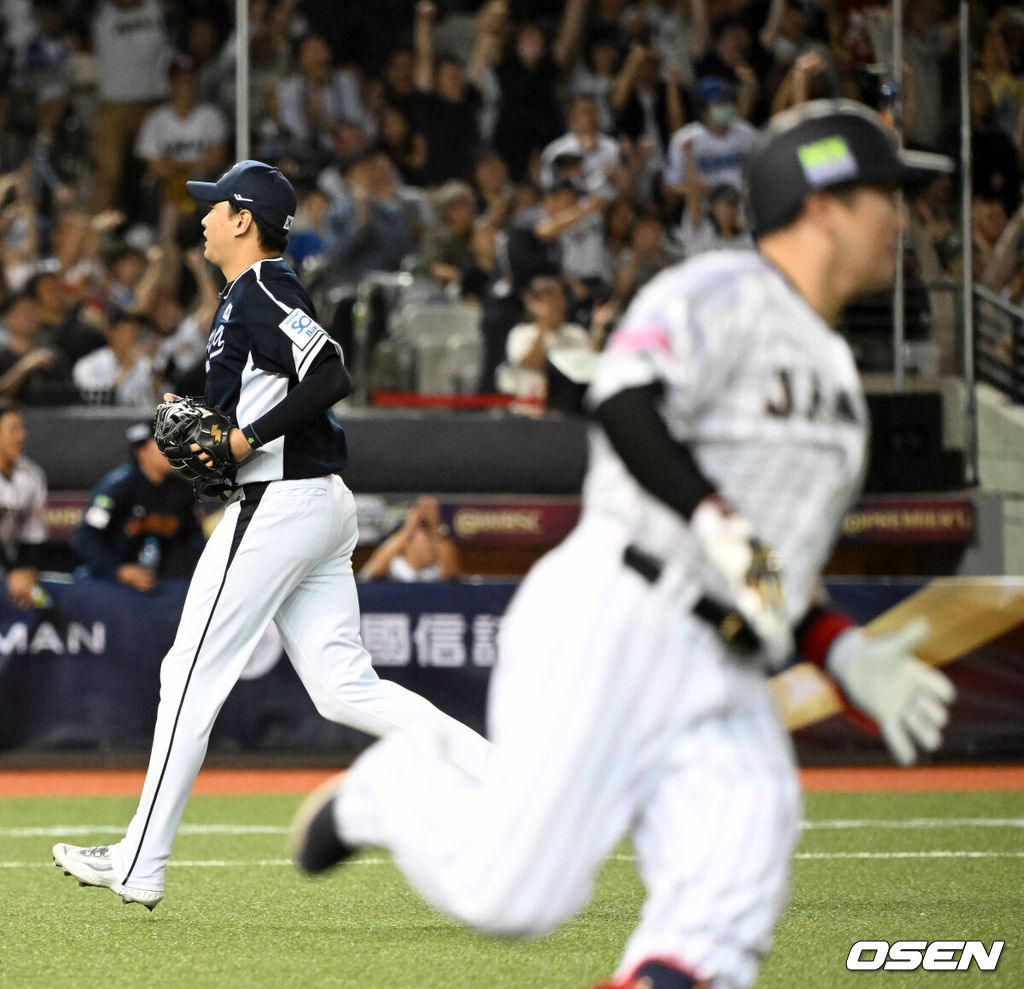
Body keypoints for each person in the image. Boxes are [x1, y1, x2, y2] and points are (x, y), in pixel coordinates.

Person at [291, 101, 958, 989]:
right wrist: (718, 520)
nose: (902, 215)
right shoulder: (720, 290)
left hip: (726, 662)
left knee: (728, 900)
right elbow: (623, 401)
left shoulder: (839, 379)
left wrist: (840, 648)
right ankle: (396, 786)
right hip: (620, 609)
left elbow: (767, 575)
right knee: (517, 896)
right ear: (824, 201)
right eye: (886, 192)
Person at [52, 159, 490, 910]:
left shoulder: (262, 285)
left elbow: (330, 373)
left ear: (244, 220)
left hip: (281, 502)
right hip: (309, 503)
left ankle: (139, 862)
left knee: (186, 672)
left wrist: (242, 438)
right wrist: (226, 440)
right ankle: (513, 785)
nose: (202, 217)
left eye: (214, 206)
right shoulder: (244, 296)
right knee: (344, 687)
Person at [72, 421, 204, 593]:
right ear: (141, 451)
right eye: (162, 443)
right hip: (109, 583)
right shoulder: (116, 488)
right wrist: (119, 570)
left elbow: (193, 537)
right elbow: (86, 537)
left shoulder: (182, 491)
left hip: (160, 585)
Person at [0, 400, 49, 609]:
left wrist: (28, 571)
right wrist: (13, 572)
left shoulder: (33, 476)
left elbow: (35, 535)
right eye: (13, 429)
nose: (21, 437)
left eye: (21, 429)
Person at [359, 495, 459, 582]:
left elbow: (451, 573)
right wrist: (409, 528)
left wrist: (436, 526)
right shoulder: (393, 569)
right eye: (428, 534)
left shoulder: (436, 572)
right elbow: (370, 574)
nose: (434, 543)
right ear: (407, 542)